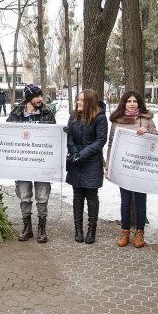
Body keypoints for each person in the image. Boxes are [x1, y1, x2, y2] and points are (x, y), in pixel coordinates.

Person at [0, 84, 57, 243]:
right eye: (37, 96)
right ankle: (27, 227)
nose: (40, 99)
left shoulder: (47, 113)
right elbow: (4, 133)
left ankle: (41, 228)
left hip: (41, 164)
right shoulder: (16, 114)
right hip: (22, 165)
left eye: (40, 96)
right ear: (29, 98)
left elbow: (54, 137)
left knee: (42, 196)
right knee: (24, 196)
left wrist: (63, 134)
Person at [105, 91, 158, 248]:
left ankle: (140, 233)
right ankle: (125, 231)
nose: (132, 103)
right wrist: (108, 167)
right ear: (124, 103)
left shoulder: (146, 119)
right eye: (129, 101)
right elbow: (111, 144)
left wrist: (148, 132)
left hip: (142, 167)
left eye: (135, 101)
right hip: (124, 167)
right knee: (126, 201)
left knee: (140, 202)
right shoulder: (117, 121)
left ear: (139, 103)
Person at [64, 90, 107, 244]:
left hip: (91, 162)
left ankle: (91, 230)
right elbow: (68, 136)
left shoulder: (100, 118)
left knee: (91, 197)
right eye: (78, 99)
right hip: (76, 161)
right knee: (77, 196)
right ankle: (78, 230)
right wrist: (75, 152)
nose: (79, 103)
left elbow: (100, 140)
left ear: (90, 101)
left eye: (82, 100)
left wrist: (83, 154)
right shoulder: (73, 115)